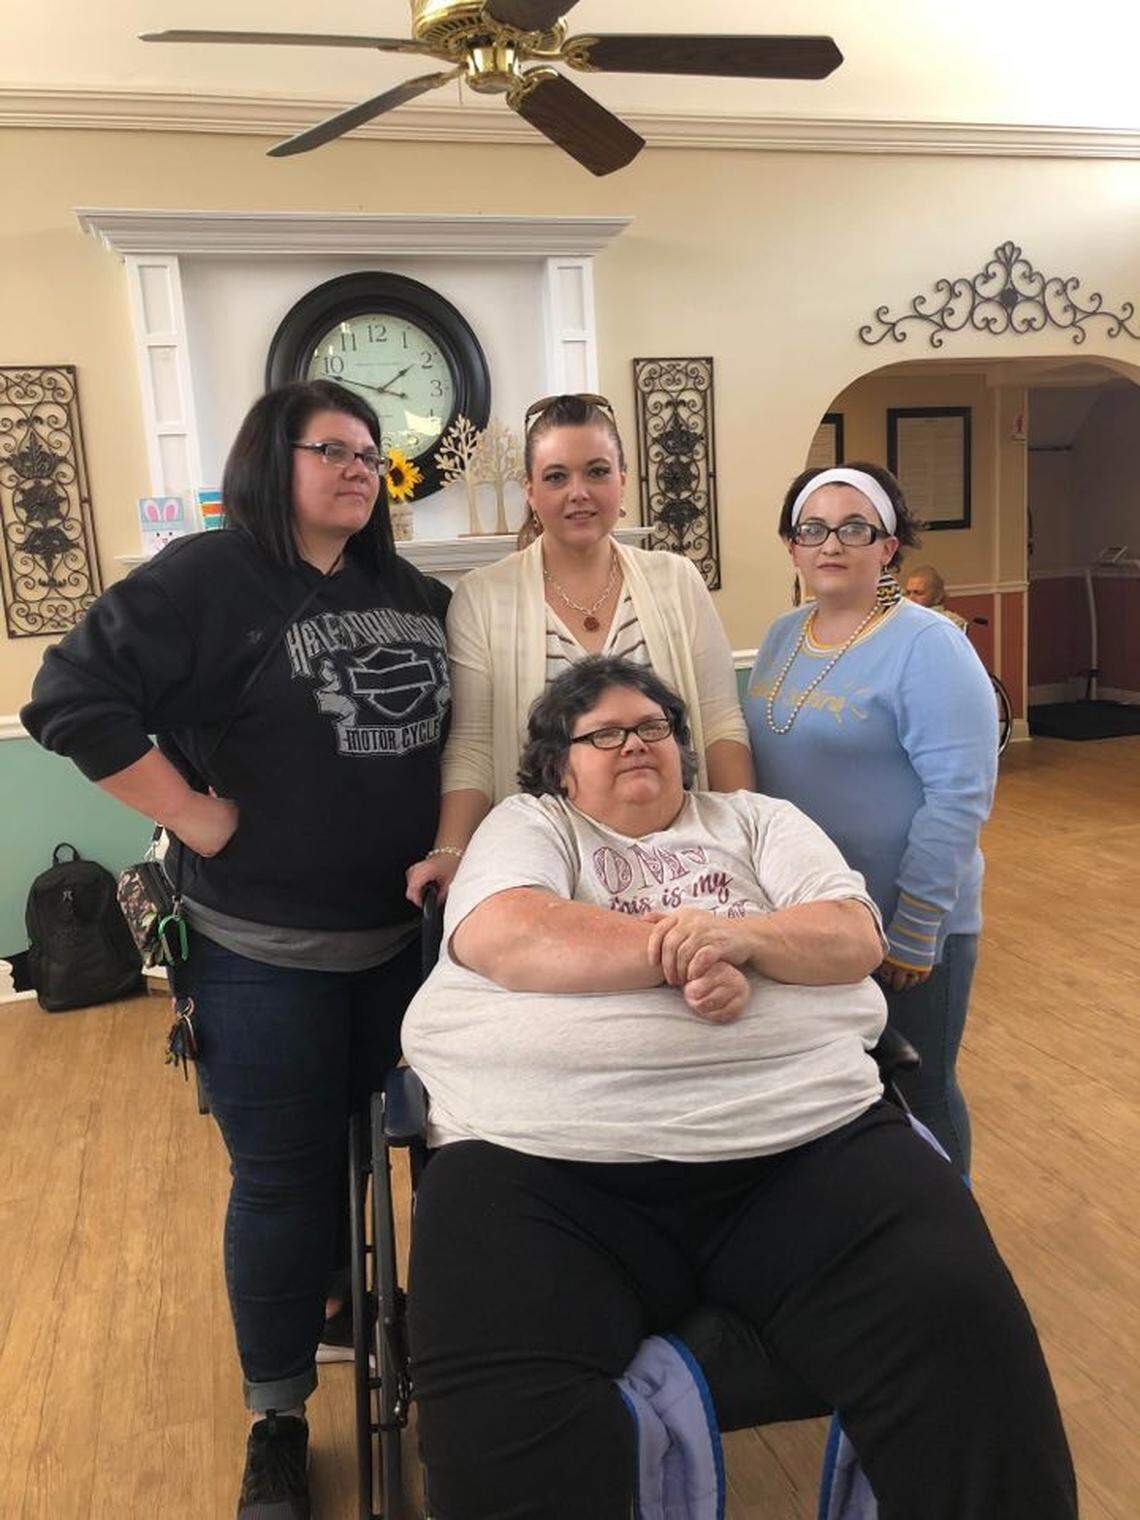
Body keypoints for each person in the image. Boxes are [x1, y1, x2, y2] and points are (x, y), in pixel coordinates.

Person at [400, 656, 1076, 1520]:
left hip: (804, 1143)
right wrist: (682, 950)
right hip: (541, 1161)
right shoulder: (532, 825)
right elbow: (509, 932)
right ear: (559, 767)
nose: (635, 745)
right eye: (603, 734)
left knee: (965, 1335)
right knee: (503, 1429)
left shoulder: (758, 820)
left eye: (653, 729)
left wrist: (738, 939)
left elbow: (849, 934)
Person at [21, 379, 451, 1520]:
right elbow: (67, 696)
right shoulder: (208, 578)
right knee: (282, 1183)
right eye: (334, 450)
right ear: (272, 459)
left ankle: (429, 1350)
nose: (361, 468)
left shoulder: (408, 590)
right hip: (264, 955)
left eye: (374, 456)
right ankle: (276, 1415)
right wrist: (199, 816)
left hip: (413, 951)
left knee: (435, 1165)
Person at [743, 464, 997, 1175]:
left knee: (917, 1089)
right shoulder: (781, 635)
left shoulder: (929, 644)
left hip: (901, 925)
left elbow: (960, 795)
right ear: (792, 546)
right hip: (810, 918)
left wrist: (916, 927)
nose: (833, 543)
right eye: (813, 528)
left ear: (889, 546)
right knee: (838, 1094)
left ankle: (951, 1250)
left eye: (856, 528)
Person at [406, 392, 752, 906]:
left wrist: (740, 839)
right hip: (548, 865)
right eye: (556, 477)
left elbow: (722, 722)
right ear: (530, 491)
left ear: (621, 481)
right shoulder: (482, 596)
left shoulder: (676, 580)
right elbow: (473, 748)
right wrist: (452, 850)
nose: (578, 493)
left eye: (596, 471)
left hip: (681, 862)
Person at [905, 561, 970, 630]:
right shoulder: (902, 618)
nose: (910, 598)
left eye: (918, 593)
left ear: (937, 596)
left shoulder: (952, 622)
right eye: (908, 593)